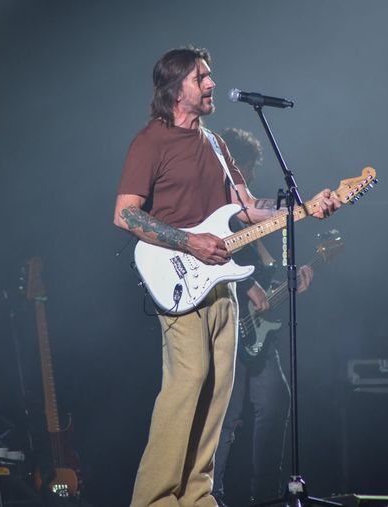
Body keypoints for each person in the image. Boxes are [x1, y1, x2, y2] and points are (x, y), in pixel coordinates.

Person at [113, 46, 340, 507]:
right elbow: (126, 215)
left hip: (223, 283)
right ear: (176, 88)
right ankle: (153, 499)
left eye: (209, 76)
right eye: (201, 77)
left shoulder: (215, 143)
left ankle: (197, 496)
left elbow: (247, 207)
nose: (211, 84)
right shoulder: (150, 141)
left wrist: (304, 208)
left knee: (218, 389)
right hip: (178, 279)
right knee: (188, 381)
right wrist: (188, 242)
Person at [211, 128, 314, 505]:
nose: (252, 175)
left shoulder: (248, 216)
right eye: (248, 168)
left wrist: (293, 276)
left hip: (256, 333)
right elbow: (204, 261)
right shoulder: (211, 208)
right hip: (223, 323)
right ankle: (211, 496)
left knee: (275, 401)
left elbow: (265, 268)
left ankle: (267, 498)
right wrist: (245, 285)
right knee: (226, 416)